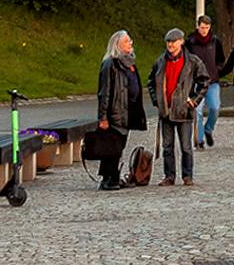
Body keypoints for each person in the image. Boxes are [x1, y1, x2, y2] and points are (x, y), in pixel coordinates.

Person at [150, 28, 206, 185]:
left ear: (181, 42)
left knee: (186, 147)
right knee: (167, 147)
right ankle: (169, 176)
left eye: (173, 41)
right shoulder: (160, 62)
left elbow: (204, 81)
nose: (170, 45)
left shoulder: (192, 61)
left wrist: (194, 100)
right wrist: (157, 100)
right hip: (166, 110)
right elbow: (151, 82)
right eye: (168, 42)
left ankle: (187, 175)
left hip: (183, 110)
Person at [92, 32, 143, 190]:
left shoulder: (129, 64)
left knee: (119, 146)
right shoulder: (110, 64)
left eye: (130, 40)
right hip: (115, 111)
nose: (130, 43)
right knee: (112, 147)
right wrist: (103, 117)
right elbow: (104, 92)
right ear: (117, 44)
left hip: (127, 111)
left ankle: (113, 176)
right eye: (127, 41)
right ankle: (109, 178)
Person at [185, 14, 224, 150]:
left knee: (215, 108)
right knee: (198, 111)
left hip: (212, 81)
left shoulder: (215, 41)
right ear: (198, 26)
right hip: (196, 82)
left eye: (207, 28)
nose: (204, 30)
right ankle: (199, 140)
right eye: (202, 28)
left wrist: (216, 70)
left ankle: (208, 129)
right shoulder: (190, 42)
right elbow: (186, 61)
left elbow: (220, 59)